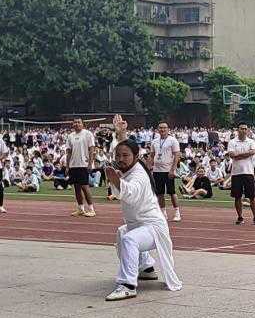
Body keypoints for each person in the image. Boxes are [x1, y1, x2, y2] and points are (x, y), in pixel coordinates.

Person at [104, 120, 183, 301]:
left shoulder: (138, 175)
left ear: (136, 156)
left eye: (125, 156)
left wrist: (115, 180)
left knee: (130, 239)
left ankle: (128, 285)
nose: (120, 159)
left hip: (153, 227)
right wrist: (121, 134)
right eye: (118, 156)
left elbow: (129, 194)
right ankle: (146, 268)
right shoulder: (129, 164)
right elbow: (125, 149)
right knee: (123, 232)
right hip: (139, 224)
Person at [227, 123, 255, 225]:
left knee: (251, 196)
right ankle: (240, 217)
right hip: (236, 173)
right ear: (238, 130)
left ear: (248, 130)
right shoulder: (232, 142)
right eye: (242, 128)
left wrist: (239, 155)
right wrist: (245, 154)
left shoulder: (251, 141)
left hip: (248, 172)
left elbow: (252, 152)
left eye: (245, 129)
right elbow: (232, 155)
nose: (244, 130)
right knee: (237, 197)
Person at [148, 121, 182, 222]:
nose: (162, 130)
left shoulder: (173, 140)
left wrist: (173, 169)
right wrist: (149, 167)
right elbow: (152, 155)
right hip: (157, 170)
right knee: (160, 193)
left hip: (168, 170)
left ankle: (177, 212)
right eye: (160, 128)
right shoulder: (155, 141)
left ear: (168, 129)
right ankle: (163, 213)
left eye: (164, 128)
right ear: (158, 129)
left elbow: (177, 155)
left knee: (172, 192)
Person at [65, 119, 97, 217]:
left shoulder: (87, 134)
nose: (76, 124)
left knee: (85, 186)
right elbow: (69, 152)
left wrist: (90, 164)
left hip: (84, 164)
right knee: (76, 188)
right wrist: (67, 166)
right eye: (75, 122)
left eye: (79, 122)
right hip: (73, 165)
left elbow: (91, 149)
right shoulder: (70, 136)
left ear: (82, 124)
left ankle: (91, 209)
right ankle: (80, 208)